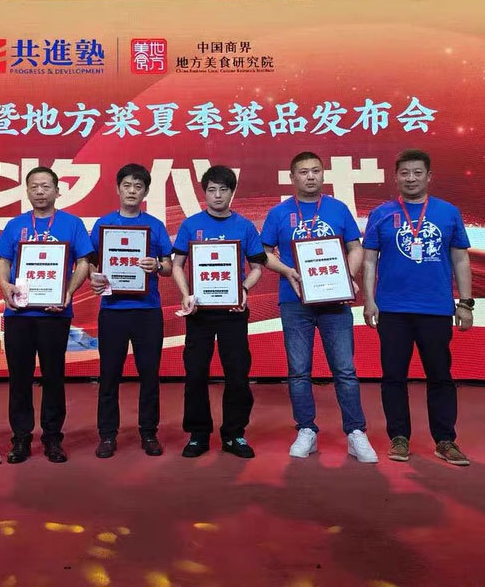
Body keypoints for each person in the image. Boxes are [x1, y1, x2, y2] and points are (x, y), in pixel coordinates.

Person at [261, 152, 377, 463]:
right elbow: (262, 252)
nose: (310, 176)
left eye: (315, 171)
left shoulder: (338, 209)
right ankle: (306, 429)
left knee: (345, 370)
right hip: (294, 301)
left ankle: (355, 432)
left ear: (323, 175)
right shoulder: (279, 213)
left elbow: (355, 247)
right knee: (299, 371)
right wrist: (288, 271)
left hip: (335, 301)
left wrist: (346, 277)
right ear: (292, 178)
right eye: (303, 172)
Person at [363, 149, 473, 466]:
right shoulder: (381, 213)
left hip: (436, 309)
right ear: (396, 177)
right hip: (392, 310)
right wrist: (369, 300)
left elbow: (460, 259)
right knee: (393, 377)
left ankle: (445, 440)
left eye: (417, 173)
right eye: (405, 173)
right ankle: (399, 437)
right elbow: (369, 261)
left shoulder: (448, 212)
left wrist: (465, 303)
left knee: (440, 376)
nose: (411, 178)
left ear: (429, 176)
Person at [0, 166, 93, 464]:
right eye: (34, 186)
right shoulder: (15, 225)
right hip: (19, 314)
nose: (40, 191)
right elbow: (3, 262)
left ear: (57, 191)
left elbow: (84, 262)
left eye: (46, 186)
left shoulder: (72, 224)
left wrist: (68, 292)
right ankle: (21, 438)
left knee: (53, 377)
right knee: (19, 378)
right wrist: (5, 287)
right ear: (26, 191)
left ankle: (52, 437)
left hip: (55, 314)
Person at [171, 165, 265, 459]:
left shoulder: (245, 226)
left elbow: (257, 267)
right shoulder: (191, 225)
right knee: (195, 374)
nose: (218, 195)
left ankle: (234, 434)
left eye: (223, 189)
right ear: (205, 193)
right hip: (199, 313)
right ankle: (198, 434)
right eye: (212, 190)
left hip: (233, 312)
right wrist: (186, 295)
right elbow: (177, 265)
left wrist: (244, 290)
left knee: (237, 374)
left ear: (231, 192)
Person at [89, 164, 173, 458]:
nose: (132, 191)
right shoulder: (103, 225)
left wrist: (157, 265)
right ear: (118, 189)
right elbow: (92, 262)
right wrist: (94, 277)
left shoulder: (155, 226)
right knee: (109, 375)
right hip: (112, 310)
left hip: (147, 310)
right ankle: (107, 435)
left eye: (138, 186)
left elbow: (169, 266)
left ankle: (149, 433)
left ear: (145, 192)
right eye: (127, 185)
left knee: (149, 374)